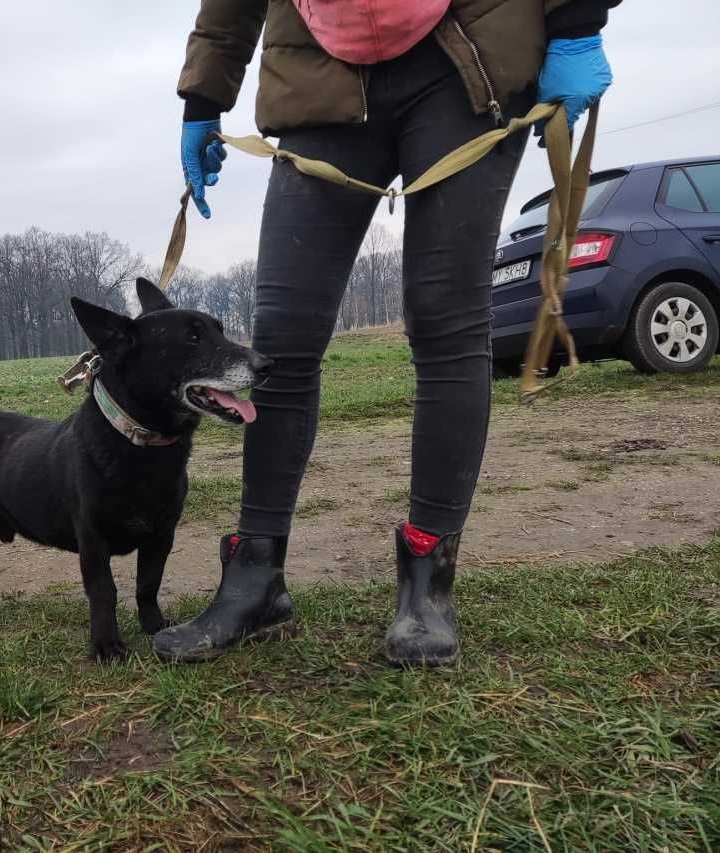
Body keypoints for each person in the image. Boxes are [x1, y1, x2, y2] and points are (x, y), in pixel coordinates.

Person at [152, 0, 619, 664]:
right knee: (282, 332)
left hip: (468, 52)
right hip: (319, 64)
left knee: (444, 319)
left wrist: (574, 23)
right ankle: (255, 577)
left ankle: (427, 579)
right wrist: (203, 95)